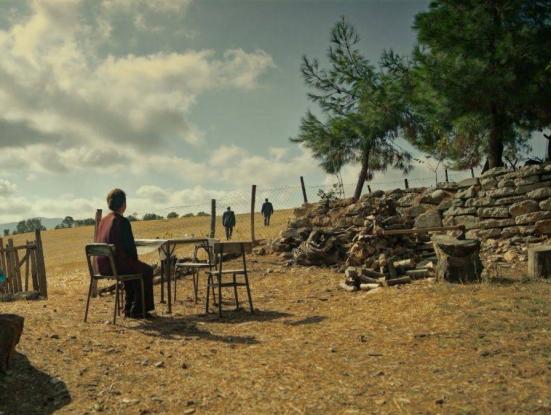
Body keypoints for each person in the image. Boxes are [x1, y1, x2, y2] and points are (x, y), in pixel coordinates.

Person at [95, 188, 155, 318]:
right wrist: (136, 262)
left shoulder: (103, 221)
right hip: (116, 266)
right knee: (146, 270)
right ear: (124, 204)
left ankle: (129, 307)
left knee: (129, 265)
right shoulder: (121, 221)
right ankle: (138, 310)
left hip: (102, 266)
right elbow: (130, 249)